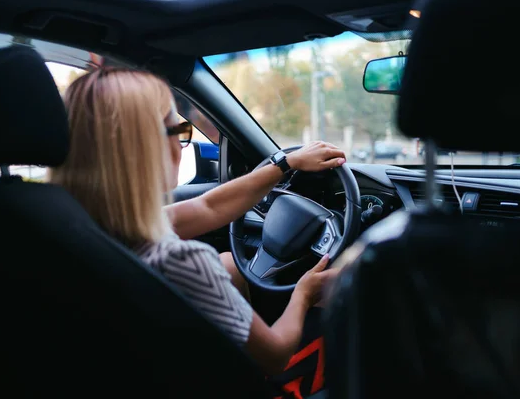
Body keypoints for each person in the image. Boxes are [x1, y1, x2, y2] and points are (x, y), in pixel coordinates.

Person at [49, 68, 346, 375]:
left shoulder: (67, 226)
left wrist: (286, 164)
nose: (181, 144)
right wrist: (304, 293)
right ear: (145, 147)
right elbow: (274, 356)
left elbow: (209, 206)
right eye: (176, 131)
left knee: (230, 264)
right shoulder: (181, 262)